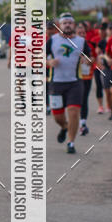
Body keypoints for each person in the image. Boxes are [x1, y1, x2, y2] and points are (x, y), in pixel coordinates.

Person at [46, 14, 91, 154]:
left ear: (74, 25)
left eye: (70, 23)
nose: (67, 25)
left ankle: (71, 142)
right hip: (56, 83)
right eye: (64, 23)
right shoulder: (52, 40)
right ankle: (65, 127)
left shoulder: (81, 41)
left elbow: (90, 58)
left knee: (73, 112)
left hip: (75, 83)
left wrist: (86, 60)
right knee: (58, 117)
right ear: (59, 25)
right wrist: (48, 62)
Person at [76, 21, 94, 135]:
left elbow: (92, 58)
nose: (82, 35)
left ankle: (83, 123)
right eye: (80, 33)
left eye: (84, 33)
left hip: (87, 76)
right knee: (76, 101)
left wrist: (88, 60)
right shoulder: (72, 44)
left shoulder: (88, 44)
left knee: (84, 99)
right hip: (75, 77)